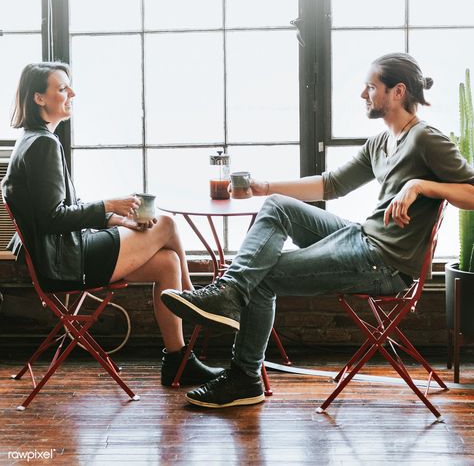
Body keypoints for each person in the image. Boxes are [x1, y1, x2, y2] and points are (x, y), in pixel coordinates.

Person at [161, 52, 474, 408]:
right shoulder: (380, 142)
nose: (363, 95)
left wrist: (420, 185)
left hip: (384, 262)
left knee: (261, 277)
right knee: (277, 206)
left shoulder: (426, 140)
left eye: (371, 87)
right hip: (363, 238)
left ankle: (244, 377)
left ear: (398, 92)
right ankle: (230, 292)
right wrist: (263, 186)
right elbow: (330, 185)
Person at [2, 62, 223, 387]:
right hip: (67, 264)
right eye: (62, 88)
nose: (72, 93)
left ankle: (178, 360)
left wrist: (113, 217)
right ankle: (197, 300)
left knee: (167, 263)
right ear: (39, 98)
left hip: (62, 257)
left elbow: (60, 210)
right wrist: (108, 205)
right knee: (167, 224)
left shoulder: (31, 140)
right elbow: (53, 218)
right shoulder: (44, 145)